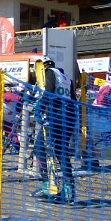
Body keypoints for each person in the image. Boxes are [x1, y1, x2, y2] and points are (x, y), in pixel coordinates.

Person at [33, 59, 77, 204]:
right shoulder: (66, 78)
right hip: (69, 117)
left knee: (39, 148)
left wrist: (39, 108)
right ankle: (68, 190)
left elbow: (49, 92)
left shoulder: (50, 73)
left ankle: (48, 186)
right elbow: (73, 99)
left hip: (56, 117)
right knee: (61, 151)